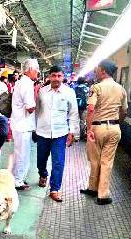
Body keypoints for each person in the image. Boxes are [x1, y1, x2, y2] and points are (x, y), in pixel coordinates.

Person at [80, 59, 127, 205]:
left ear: (103, 71)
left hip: (97, 128)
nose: (96, 71)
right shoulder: (121, 89)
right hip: (114, 129)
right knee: (107, 162)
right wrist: (116, 123)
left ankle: (93, 188)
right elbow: (124, 111)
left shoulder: (97, 87)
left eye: (97, 69)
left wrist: (88, 130)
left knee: (95, 160)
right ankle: (103, 195)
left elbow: (91, 109)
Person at [35, 65, 79, 202]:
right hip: (42, 132)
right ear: (49, 76)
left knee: (58, 162)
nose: (56, 79)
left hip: (60, 133)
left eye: (59, 76)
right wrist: (33, 128)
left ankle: (55, 189)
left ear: (63, 77)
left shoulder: (69, 92)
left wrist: (72, 132)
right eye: (53, 76)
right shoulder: (41, 92)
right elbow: (36, 111)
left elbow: (73, 113)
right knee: (41, 160)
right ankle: (43, 174)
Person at [11, 59, 40, 190]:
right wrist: (36, 93)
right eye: (36, 69)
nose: (38, 72)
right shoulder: (27, 84)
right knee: (23, 154)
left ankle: (18, 177)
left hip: (19, 124)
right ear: (29, 70)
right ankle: (18, 180)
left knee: (19, 153)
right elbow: (30, 108)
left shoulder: (20, 82)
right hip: (23, 125)